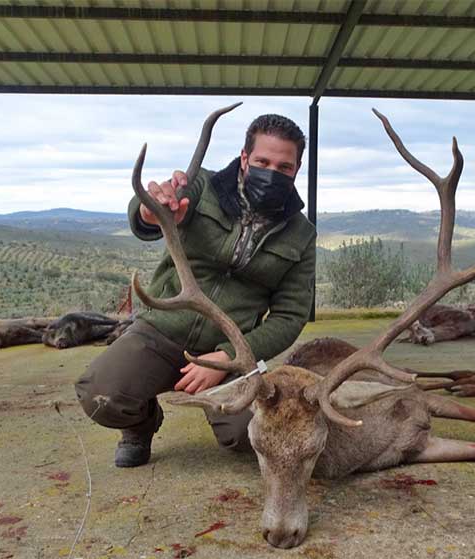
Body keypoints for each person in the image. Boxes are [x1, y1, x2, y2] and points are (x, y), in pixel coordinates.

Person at [75, 114, 317, 467]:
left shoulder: (301, 234)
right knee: (100, 396)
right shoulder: (202, 186)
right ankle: (141, 424)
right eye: (263, 162)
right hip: (161, 330)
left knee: (252, 435)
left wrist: (227, 356)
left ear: (296, 170)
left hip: (232, 350)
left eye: (284, 167)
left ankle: (222, 396)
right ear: (245, 157)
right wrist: (149, 211)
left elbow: (290, 316)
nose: (272, 173)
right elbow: (149, 214)